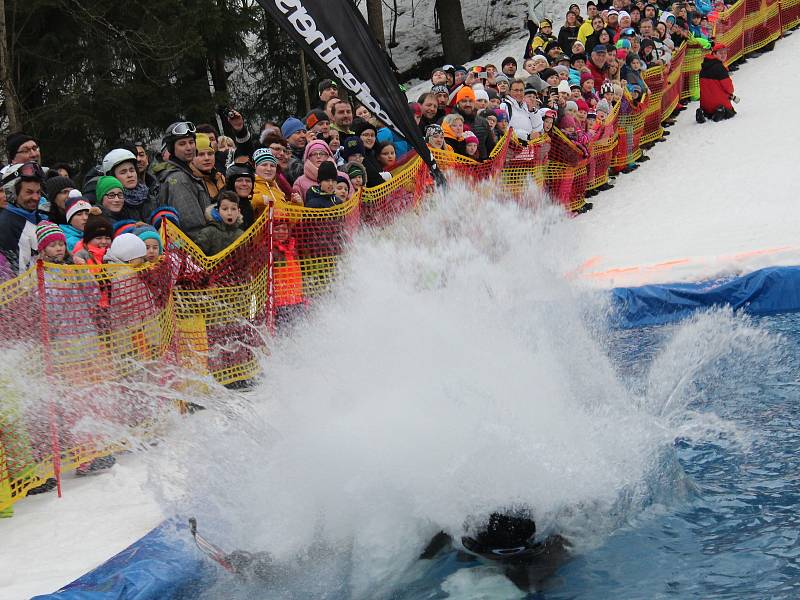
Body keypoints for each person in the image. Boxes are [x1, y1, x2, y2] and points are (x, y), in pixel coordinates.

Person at [154, 121, 212, 238]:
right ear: (172, 148)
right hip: (198, 248)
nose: (189, 147)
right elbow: (192, 227)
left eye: (191, 142)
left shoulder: (187, 173)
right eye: (182, 144)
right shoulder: (178, 178)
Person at [0, 162, 45, 273]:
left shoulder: (39, 219)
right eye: (29, 192)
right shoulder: (5, 226)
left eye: (38, 192)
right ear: (12, 193)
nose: (36, 197)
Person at [102, 148, 152, 221]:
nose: (129, 175)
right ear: (113, 177)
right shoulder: (113, 204)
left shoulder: (149, 197)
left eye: (132, 170)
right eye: (123, 172)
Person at [193, 191, 245, 256]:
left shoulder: (242, 235)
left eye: (233, 209)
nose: (229, 213)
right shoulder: (208, 232)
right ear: (218, 211)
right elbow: (195, 258)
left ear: (238, 211)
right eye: (225, 209)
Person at [697, 43, 738, 122]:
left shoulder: (704, 66)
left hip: (705, 103)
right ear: (714, 53)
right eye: (720, 53)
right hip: (719, 102)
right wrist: (731, 93)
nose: (723, 55)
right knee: (730, 112)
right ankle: (720, 112)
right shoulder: (720, 68)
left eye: (725, 53)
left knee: (707, 109)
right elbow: (729, 88)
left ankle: (702, 112)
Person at [191, 134, 226, 201]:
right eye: (201, 154)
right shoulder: (190, 182)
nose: (207, 158)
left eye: (210, 154)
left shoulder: (220, 176)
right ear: (191, 158)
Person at [225, 164, 257, 228]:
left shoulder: (248, 205)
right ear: (231, 184)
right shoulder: (223, 206)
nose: (244, 184)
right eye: (239, 180)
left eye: (248, 181)